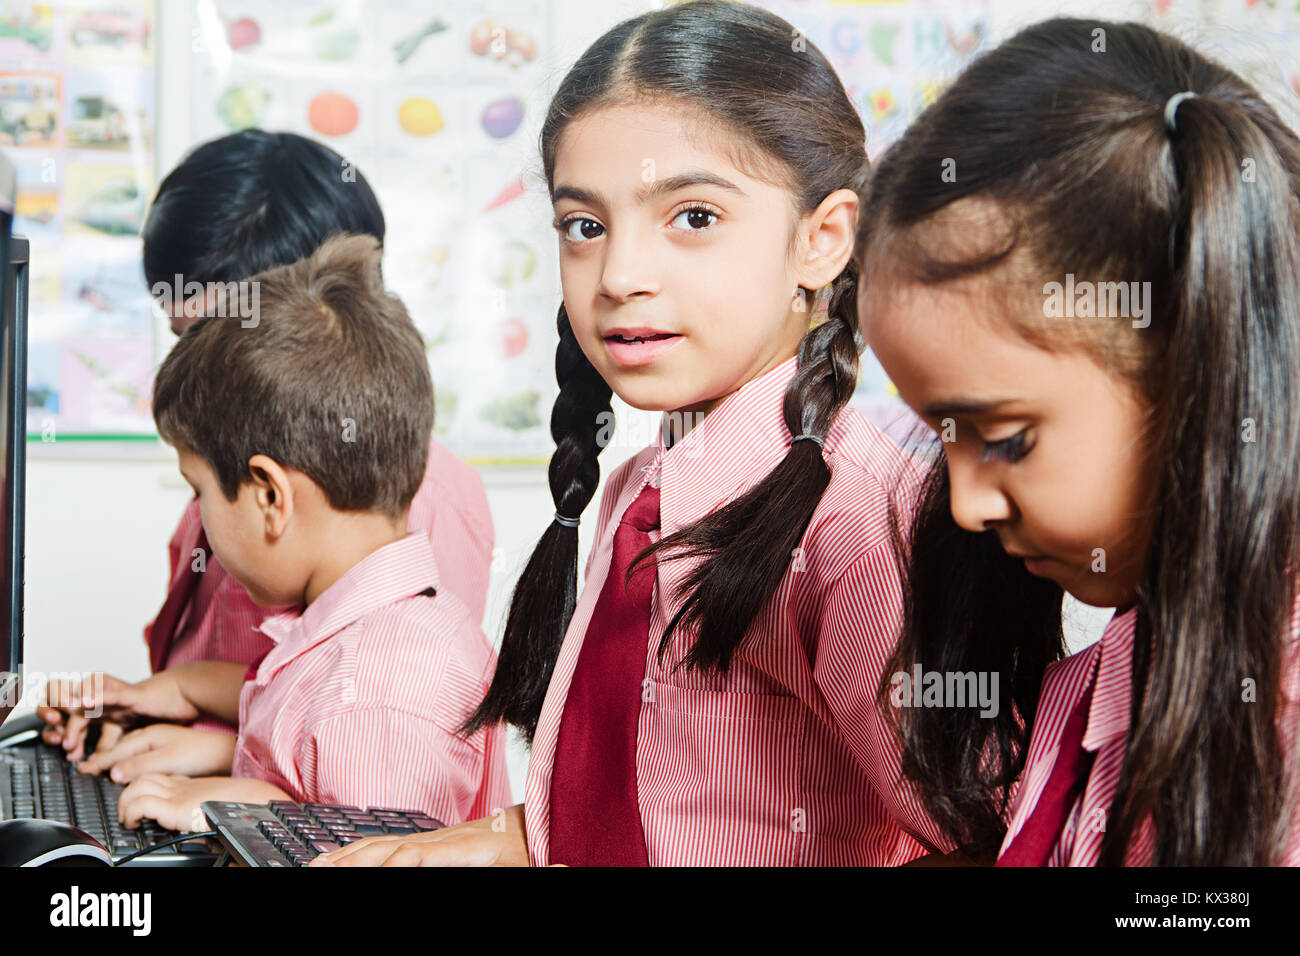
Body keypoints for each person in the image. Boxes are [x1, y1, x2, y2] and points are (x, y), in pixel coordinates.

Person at [318, 0, 947, 867]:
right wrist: (506, 840)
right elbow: (658, 798)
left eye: (693, 216)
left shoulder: (855, 525)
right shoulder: (635, 490)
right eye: (585, 226)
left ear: (822, 240)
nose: (618, 276)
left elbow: (977, 843)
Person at [856, 18, 1300, 865]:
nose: (966, 503)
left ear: (1194, 367)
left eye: (1009, 439)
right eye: (938, 435)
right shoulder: (1088, 694)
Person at [40, 130, 494, 781]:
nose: (196, 367)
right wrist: (153, 718)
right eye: (182, 338)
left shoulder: (417, 504)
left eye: (216, 337)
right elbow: (277, 680)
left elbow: (383, 739)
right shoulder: (228, 474)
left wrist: (229, 760)